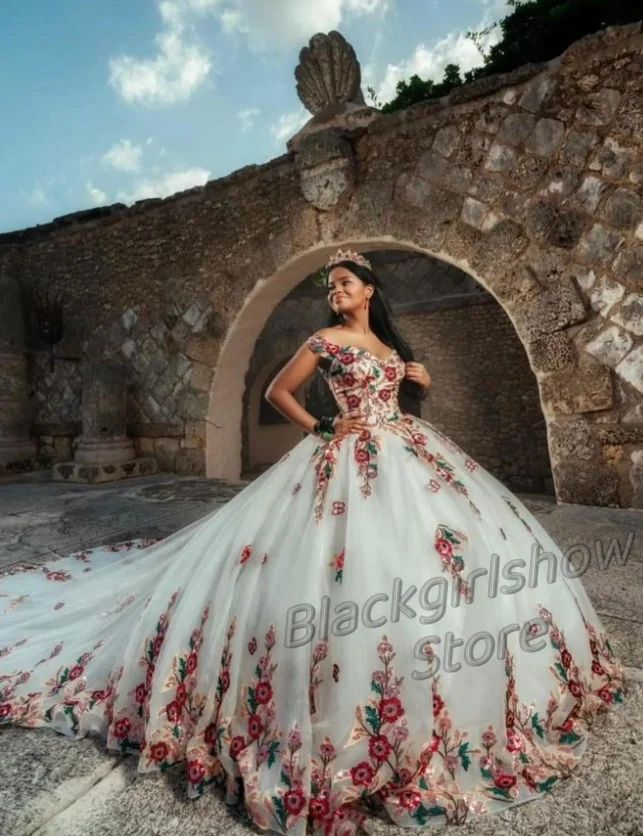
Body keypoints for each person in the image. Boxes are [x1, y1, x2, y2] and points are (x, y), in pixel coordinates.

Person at [0, 249, 625, 836]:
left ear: (369, 290)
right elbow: (279, 391)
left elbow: (399, 390)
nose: (336, 291)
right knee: (338, 567)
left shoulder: (384, 342)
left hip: (407, 450)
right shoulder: (323, 340)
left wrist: (420, 379)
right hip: (347, 453)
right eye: (331, 286)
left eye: (345, 283)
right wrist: (325, 425)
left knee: (444, 558)